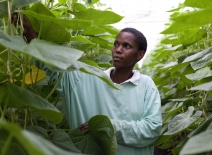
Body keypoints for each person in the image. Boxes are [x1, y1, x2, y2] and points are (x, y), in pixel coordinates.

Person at [13, 13, 162, 155]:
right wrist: (30, 33)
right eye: (116, 44)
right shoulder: (84, 77)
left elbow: (152, 130)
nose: (118, 50)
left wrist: (108, 126)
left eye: (126, 46)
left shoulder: (146, 85)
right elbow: (53, 64)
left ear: (140, 54)